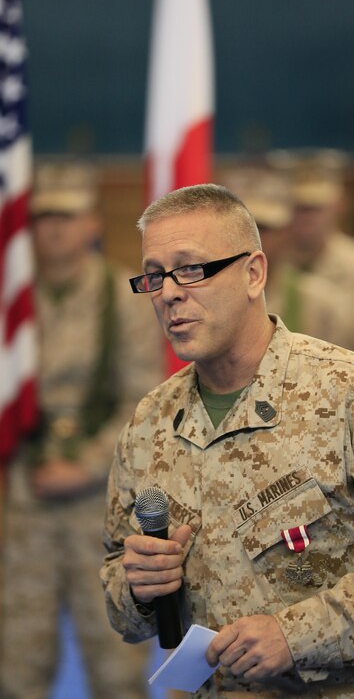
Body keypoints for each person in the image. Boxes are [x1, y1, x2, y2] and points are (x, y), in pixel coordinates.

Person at [101, 182, 354, 697]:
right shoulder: (148, 425)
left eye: (191, 269)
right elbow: (122, 604)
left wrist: (297, 635)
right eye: (153, 276)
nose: (169, 292)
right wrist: (140, 587)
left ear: (254, 273)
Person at [0, 160, 163, 699]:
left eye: (67, 215)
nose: (54, 227)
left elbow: (142, 404)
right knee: (16, 663)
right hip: (23, 501)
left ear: (93, 222)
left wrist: (86, 466)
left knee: (116, 666)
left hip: (101, 501)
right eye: (44, 215)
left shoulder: (124, 299)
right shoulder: (12, 301)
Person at [221, 165, 354, 349]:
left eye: (264, 228)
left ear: (286, 232)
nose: (254, 237)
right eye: (244, 228)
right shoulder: (216, 298)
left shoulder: (320, 304)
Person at [275, 150, 354, 352]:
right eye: (299, 207)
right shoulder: (272, 261)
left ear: (339, 206)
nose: (307, 217)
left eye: (316, 208)